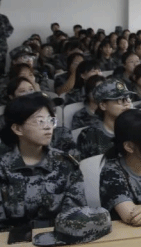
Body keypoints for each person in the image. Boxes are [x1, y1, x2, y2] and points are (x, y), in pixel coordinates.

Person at [0, 93, 86, 229]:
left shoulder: (65, 163)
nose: (48, 127)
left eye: (50, 120)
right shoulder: (3, 168)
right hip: (14, 240)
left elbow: (75, 215)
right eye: (40, 121)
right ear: (18, 129)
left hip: (59, 236)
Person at [77, 80, 134, 160]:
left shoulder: (138, 128)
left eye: (127, 98)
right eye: (120, 99)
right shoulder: (89, 135)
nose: (126, 103)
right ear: (103, 105)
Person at [0, 0, 14, 77]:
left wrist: (3, 33)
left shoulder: (3, 18)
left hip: (1, 48)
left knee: (1, 70)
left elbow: (10, 30)